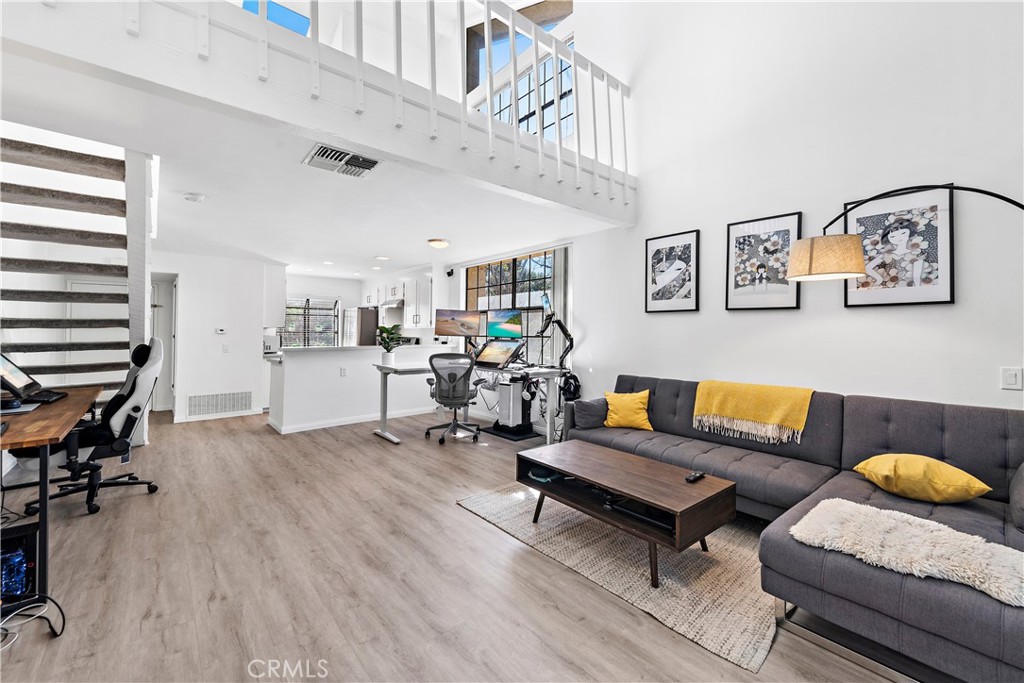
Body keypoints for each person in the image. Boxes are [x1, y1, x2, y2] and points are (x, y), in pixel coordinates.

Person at [864, 217, 924, 287]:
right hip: (886, 288)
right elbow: (867, 268)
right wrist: (879, 279)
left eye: (903, 233)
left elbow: (917, 278)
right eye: (893, 236)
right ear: (888, 239)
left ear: (910, 233)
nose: (899, 238)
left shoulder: (917, 254)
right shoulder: (886, 255)